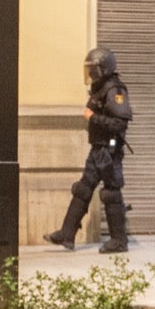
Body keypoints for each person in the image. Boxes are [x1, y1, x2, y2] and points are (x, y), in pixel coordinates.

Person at [46, 47, 133, 253]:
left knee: (111, 193)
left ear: (104, 69)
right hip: (98, 150)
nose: (91, 75)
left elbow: (120, 124)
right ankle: (67, 234)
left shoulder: (114, 90)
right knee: (83, 189)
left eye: (94, 70)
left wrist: (93, 118)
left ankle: (119, 241)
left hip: (110, 152)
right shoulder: (100, 89)